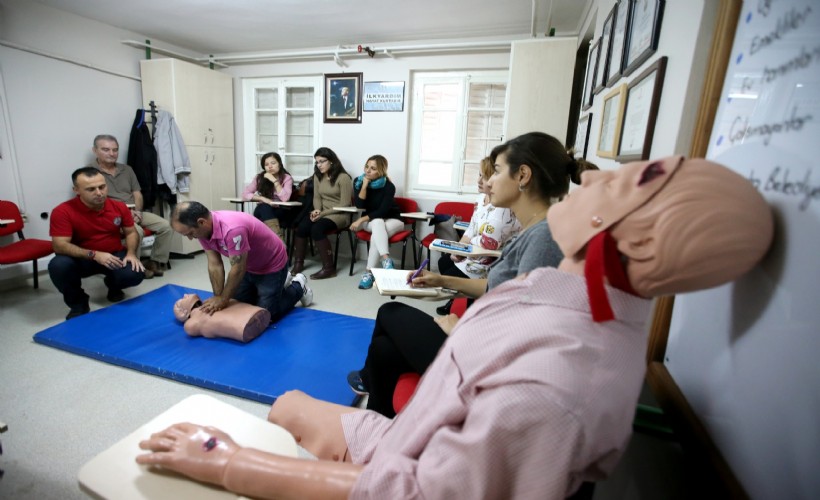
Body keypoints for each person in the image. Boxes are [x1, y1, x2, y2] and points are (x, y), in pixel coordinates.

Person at [136, 155, 774, 499]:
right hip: (419, 434)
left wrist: (229, 467)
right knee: (289, 403)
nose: (597, 178)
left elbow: (418, 492)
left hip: (414, 469)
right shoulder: (563, 292)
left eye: (627, 182)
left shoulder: (552, 389)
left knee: (259, 437)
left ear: (644, 240)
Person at [350, 132, 589, 416]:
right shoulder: (537, 229)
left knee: (390, 312)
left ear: (523, 175)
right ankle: (382, 428)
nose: (489, 182)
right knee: (382, 351)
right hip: (483, 343)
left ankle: (379, 416)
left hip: (486, 365)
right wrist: (442, 280)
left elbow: (527, 328)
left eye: (497, 172)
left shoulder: (545, 238)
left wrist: (460, 331)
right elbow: (498, 289)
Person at [169, 201, 313, 324]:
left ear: (201, 222)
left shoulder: (232, 229)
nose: (190, 238)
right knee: (238, 307)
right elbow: (215, 264)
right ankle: (281, 283)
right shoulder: (202, 230)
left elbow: (238, 268)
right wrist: (219, 298)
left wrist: (224, 299)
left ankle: (298, 286)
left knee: (266, 317)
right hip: (249, 265)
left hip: (271, 264)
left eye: (189, 234)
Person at [48, 167, 146, 320]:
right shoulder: (62, 211)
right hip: (82, 258)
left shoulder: (118, 206)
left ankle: (113, 285)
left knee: (134, 272)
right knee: (58, 266)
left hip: (112, 255)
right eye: (91, 189)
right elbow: (59, 245)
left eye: (102, 187)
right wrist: (94, 254)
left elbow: (131, 232)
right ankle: (79, 303)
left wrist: (131, 253)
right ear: (77, 190)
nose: (99, 193)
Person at [435, 156, 522, 314]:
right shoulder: (481, 198)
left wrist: (465, 249)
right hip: (475, 253)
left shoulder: (502, 205)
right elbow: (472, 228)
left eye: (485, 176)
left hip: (491, 259)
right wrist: (459, 249)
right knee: (444, 262)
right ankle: (457, 301)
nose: (480, 181)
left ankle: (468, 306)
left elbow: (489, 243)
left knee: (450, 274)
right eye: (479, 175)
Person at [90, 134, 173, 279]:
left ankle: (155, 262)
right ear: (95, 150)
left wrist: (137, 211)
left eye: (115, 150)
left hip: (134, 211)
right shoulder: (90, 174)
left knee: (167, 226)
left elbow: (137, 194)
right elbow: (94, 201)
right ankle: (136, 266)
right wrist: (126, 215)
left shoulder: (127, 169)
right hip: (113, 216)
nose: (112, 153)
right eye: (106, 149)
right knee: (137, 232)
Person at [290, 147, 353, 280]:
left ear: (332, 161)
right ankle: (298, 263)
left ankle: (329, 268)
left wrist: (322, 214)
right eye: (317, 162)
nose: (319, 165)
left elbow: (345, 204)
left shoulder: (343, 178)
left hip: (340, 215)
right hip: (323, 213)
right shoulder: (318, 177)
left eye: (322, 161)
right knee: (302, 227)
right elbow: (317, 197)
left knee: (317, 229)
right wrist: (317, 210)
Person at [350, 155, 402, 290]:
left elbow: (383, 211)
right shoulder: (359, 181)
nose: (367, 170)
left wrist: (360, 219)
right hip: (372, 221)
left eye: (373, 168)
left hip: (393, 219)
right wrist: (364, 186)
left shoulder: (388, 186)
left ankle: (369, 273)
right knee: (378, 223)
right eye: (366, 166)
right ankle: (386, 260)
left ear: (380, 171)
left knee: (375, 235)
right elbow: (359, 205)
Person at [173, 293, 271, 343]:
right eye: (182, 299)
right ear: (184, 312)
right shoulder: (191, 323)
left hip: (255, 316)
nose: (185, 295)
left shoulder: (210, 301)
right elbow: (190, 328)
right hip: (245, 327)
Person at [241, 152, 293, 240]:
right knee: (264, 207)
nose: (270, 166)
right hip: (263, 209)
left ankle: (268, 247)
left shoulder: (286, 178)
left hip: (280, 210)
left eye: (273, 163)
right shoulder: (259, 178)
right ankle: (279, 242)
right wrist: (262, 198)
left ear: (279, 164)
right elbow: (245, 194)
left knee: (262, 218)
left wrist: (274, 180)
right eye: (266, 164)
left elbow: (285, 198)